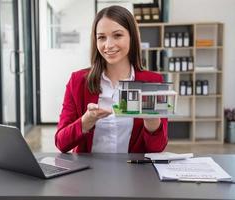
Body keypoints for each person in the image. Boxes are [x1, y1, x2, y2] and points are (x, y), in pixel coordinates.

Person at [55, 5, 168, 153]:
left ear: (132, 37)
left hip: (134, 172)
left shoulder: (153, 82)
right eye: (101, 37)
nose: (108, 45)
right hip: (88, 173)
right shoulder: (78, 81)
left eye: (117, 35)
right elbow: (61, 143)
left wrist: (151, 120)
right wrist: (87, 120)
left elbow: (157, 148)